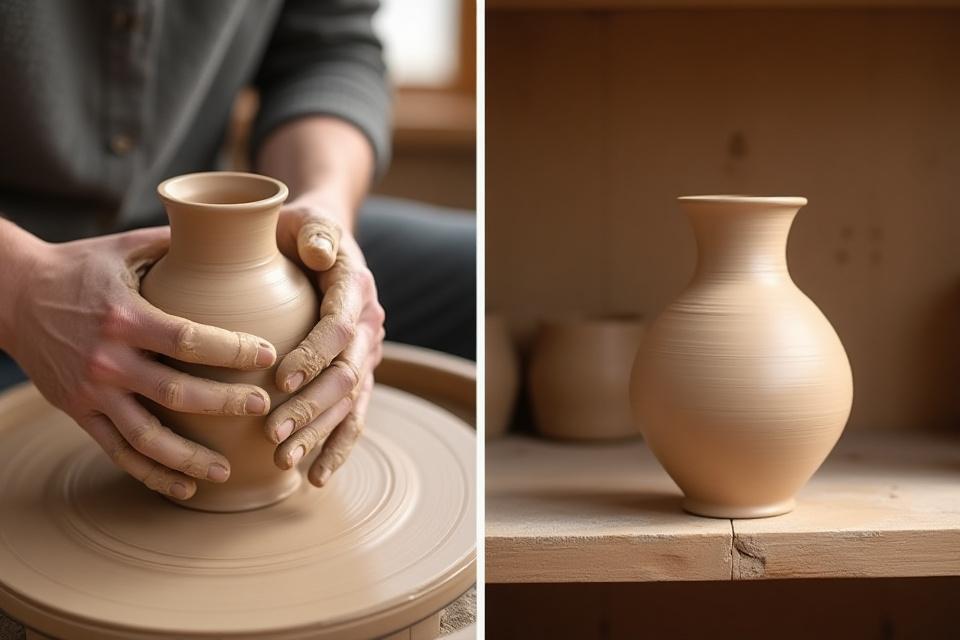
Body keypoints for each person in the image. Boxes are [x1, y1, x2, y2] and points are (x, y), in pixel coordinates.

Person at [0, 1, 475, 502]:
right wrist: (19, 291)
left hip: (222, 241)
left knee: (475, 277)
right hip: (17, 268)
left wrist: (324, 212)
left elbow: (326, 46)